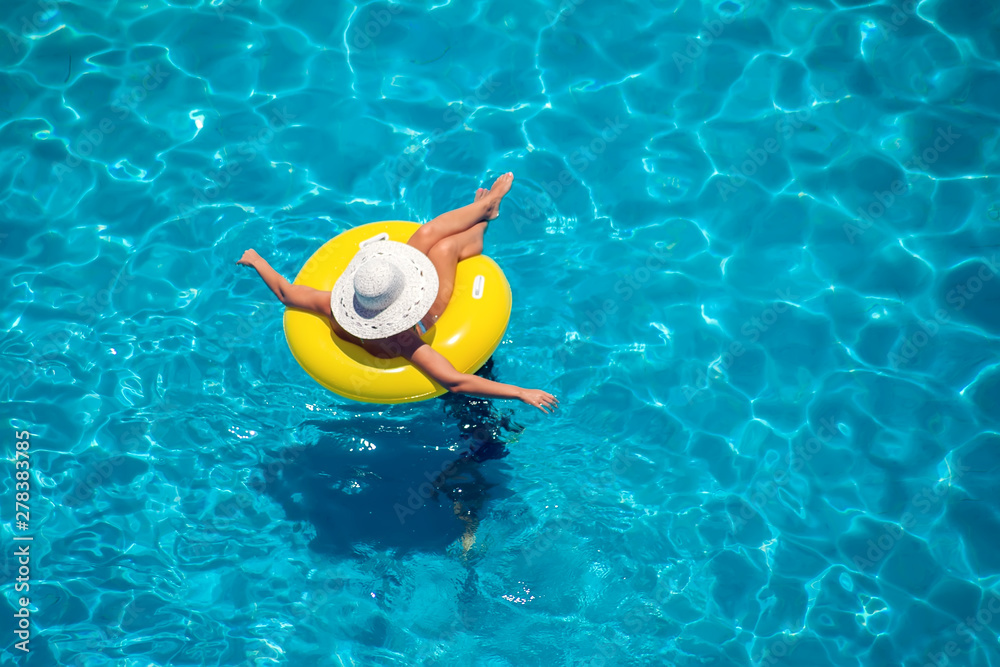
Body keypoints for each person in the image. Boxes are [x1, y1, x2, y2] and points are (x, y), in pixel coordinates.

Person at [237, 172, 558, 413]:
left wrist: (257, 261)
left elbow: (286, 294)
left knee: (426, 233)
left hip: (390, 302)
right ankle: (483, 220)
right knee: (445, 247)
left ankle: (485, 209)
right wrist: (519, 391)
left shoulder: (334, 307)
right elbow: (456, 381)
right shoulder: (403, 341)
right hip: (427, 313)